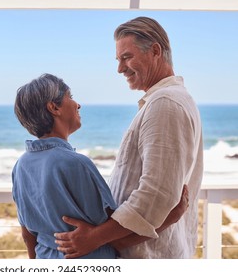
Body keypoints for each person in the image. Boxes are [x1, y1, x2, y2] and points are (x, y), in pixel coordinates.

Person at [55, 16, 203, 259]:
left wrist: (95, 238)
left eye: (127, 57)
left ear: (155, 51)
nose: (120, 68)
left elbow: (156, 195)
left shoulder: (165, 104)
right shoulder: (166, 101)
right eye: (118, 59)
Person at [12, 73, 188, 259]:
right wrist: (171, 217)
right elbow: (116, 238)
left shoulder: (21, 166)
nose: (77, 104)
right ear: (54, 107)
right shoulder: (76, 164)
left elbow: (28, 236)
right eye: (70, 97)